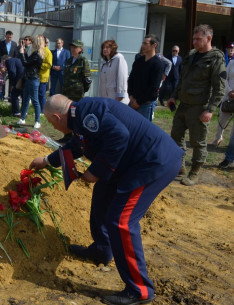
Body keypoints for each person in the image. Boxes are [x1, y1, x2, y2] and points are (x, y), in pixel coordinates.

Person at [30, 94, 183, 305]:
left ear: (56, 117)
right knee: (103, 191)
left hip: (152, 162)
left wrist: (95, 171)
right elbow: (77, 146)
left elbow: (119, 136)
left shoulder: (87, 114)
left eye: (50, 123)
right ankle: (102, 250)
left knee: (121, 221)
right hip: (131, 162)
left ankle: (140, 290)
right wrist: (47, 160)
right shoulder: (79, 115)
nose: (53, 128)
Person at [167, 24, 226, 186]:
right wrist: (173, 97)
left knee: (198, 141)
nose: (194, 42)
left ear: (208, 38)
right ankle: (180, 167)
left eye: (198, 39)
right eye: (194, 38)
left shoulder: (216, 58)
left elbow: (219, 87)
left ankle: (195, 172)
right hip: (183, 105)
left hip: (200, 107)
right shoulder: (191, 55)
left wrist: (210, 110)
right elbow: (182, 80)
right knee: (176, 136)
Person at [127, 35, 163, 121]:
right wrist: (130, 95)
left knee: (142, 131)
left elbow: (154, 87)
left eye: (145, 43)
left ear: (154, 45)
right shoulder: (139, 61)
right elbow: (131, 78)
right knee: (128, 127)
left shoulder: (157, 64)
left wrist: (139, 102)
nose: (143, 46)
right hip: (132, 101)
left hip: (146, 104)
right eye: (143, 43)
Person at [17, 35, 43, 129]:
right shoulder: (34, 53)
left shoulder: (37, 55)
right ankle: (22, 118)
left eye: (33, 41)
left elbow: (25, 63)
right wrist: (23, 51)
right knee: (26, 99)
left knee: (35, 100)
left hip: (33, 79)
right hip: (29, 78)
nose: (31, 43)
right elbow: (28, 62)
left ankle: (37, 121)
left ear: (37, 43)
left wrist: (21, 54)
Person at [212, 42, 234, 147]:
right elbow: (225, 78)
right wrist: (229, 91)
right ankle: (218, 137)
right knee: (222, 117)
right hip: (228, 95)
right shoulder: (231, 63)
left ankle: (231, 142)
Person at [99, 39, 129, 105]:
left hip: (117, 99)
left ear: (113, 48)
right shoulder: (104, 63)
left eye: (107, 47)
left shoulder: (119, 58)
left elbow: (122, 77)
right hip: (106, 99)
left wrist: (120, 95)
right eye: (103, 47)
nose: (104, 49)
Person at [38, 36, 53, 114]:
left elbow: (49, 65)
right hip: (37, 76)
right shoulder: (38, 50)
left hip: (43, 76)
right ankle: (39, 110)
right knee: (38, 94)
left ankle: (42, 111)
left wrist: (39, 65)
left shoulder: (48, 52)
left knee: (42, 94)